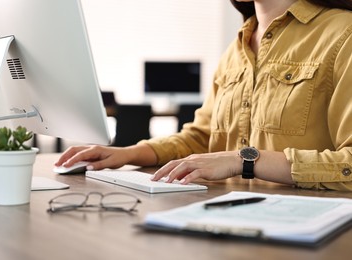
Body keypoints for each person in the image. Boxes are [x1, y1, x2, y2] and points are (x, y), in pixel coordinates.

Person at [55, 0, 352, 191]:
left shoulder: (343, 34)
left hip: (308, 226)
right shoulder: (237, 47)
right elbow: (201, 138)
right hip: (226, 215)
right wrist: (128, 153)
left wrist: (244, 160)